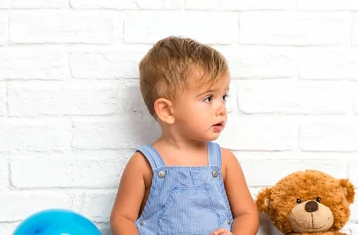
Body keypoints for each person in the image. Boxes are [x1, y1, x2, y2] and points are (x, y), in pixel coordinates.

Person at [110, 36, 259, 235]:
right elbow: (122, 218)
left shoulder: (224, 161)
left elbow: (247, 214)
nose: (221, 108)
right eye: (208, 98)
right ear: (167, 111)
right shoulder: (143, 163)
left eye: (223, 96)